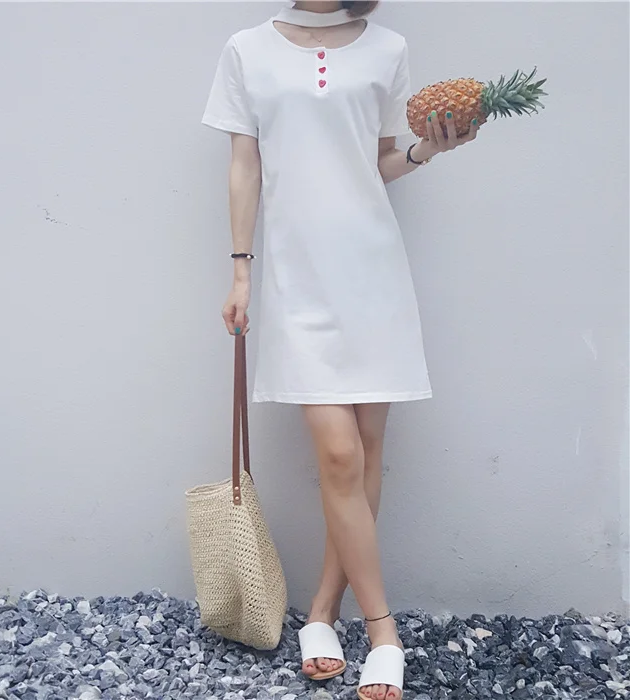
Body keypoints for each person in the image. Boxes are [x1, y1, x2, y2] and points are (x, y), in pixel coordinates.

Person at [202, 2, 479, 698]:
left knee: (366, 450)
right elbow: (244, 165)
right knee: (338, 454)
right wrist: (241, 270)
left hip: (371, 268)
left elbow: (376, 161)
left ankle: (323, 612)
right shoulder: (246, 50)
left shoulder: (387, 49)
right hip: (297, 274)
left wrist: (428, 150)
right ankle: (383, 631)